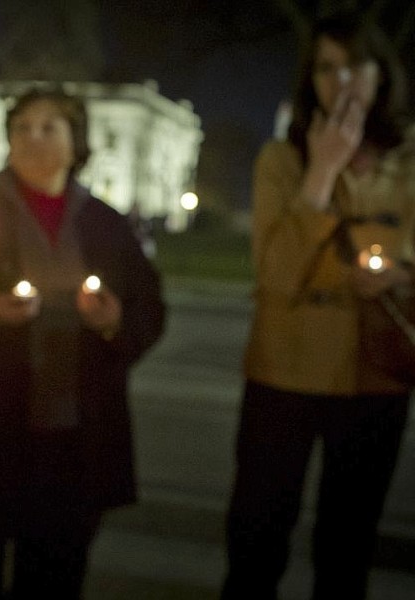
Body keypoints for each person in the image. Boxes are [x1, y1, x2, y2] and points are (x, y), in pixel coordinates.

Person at [0, 88, 165, 598]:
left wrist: (113, 322)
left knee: (56, 572)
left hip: (75, 435)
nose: (32, 137)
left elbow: (150, 306)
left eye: (49, 127)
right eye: (21, 127)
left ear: (75, 141)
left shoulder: (105, 222)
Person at [221, 12, 415, 600]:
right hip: (285, 373)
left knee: (347, 547)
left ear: (382, 75)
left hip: (376, 375)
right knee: (257, 539)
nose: (342, 80)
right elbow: (275, 274)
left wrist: (400, 276)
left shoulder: (408, 162)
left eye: (356, 64)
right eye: (327, 67)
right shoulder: (282, 159)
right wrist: (324, 170)